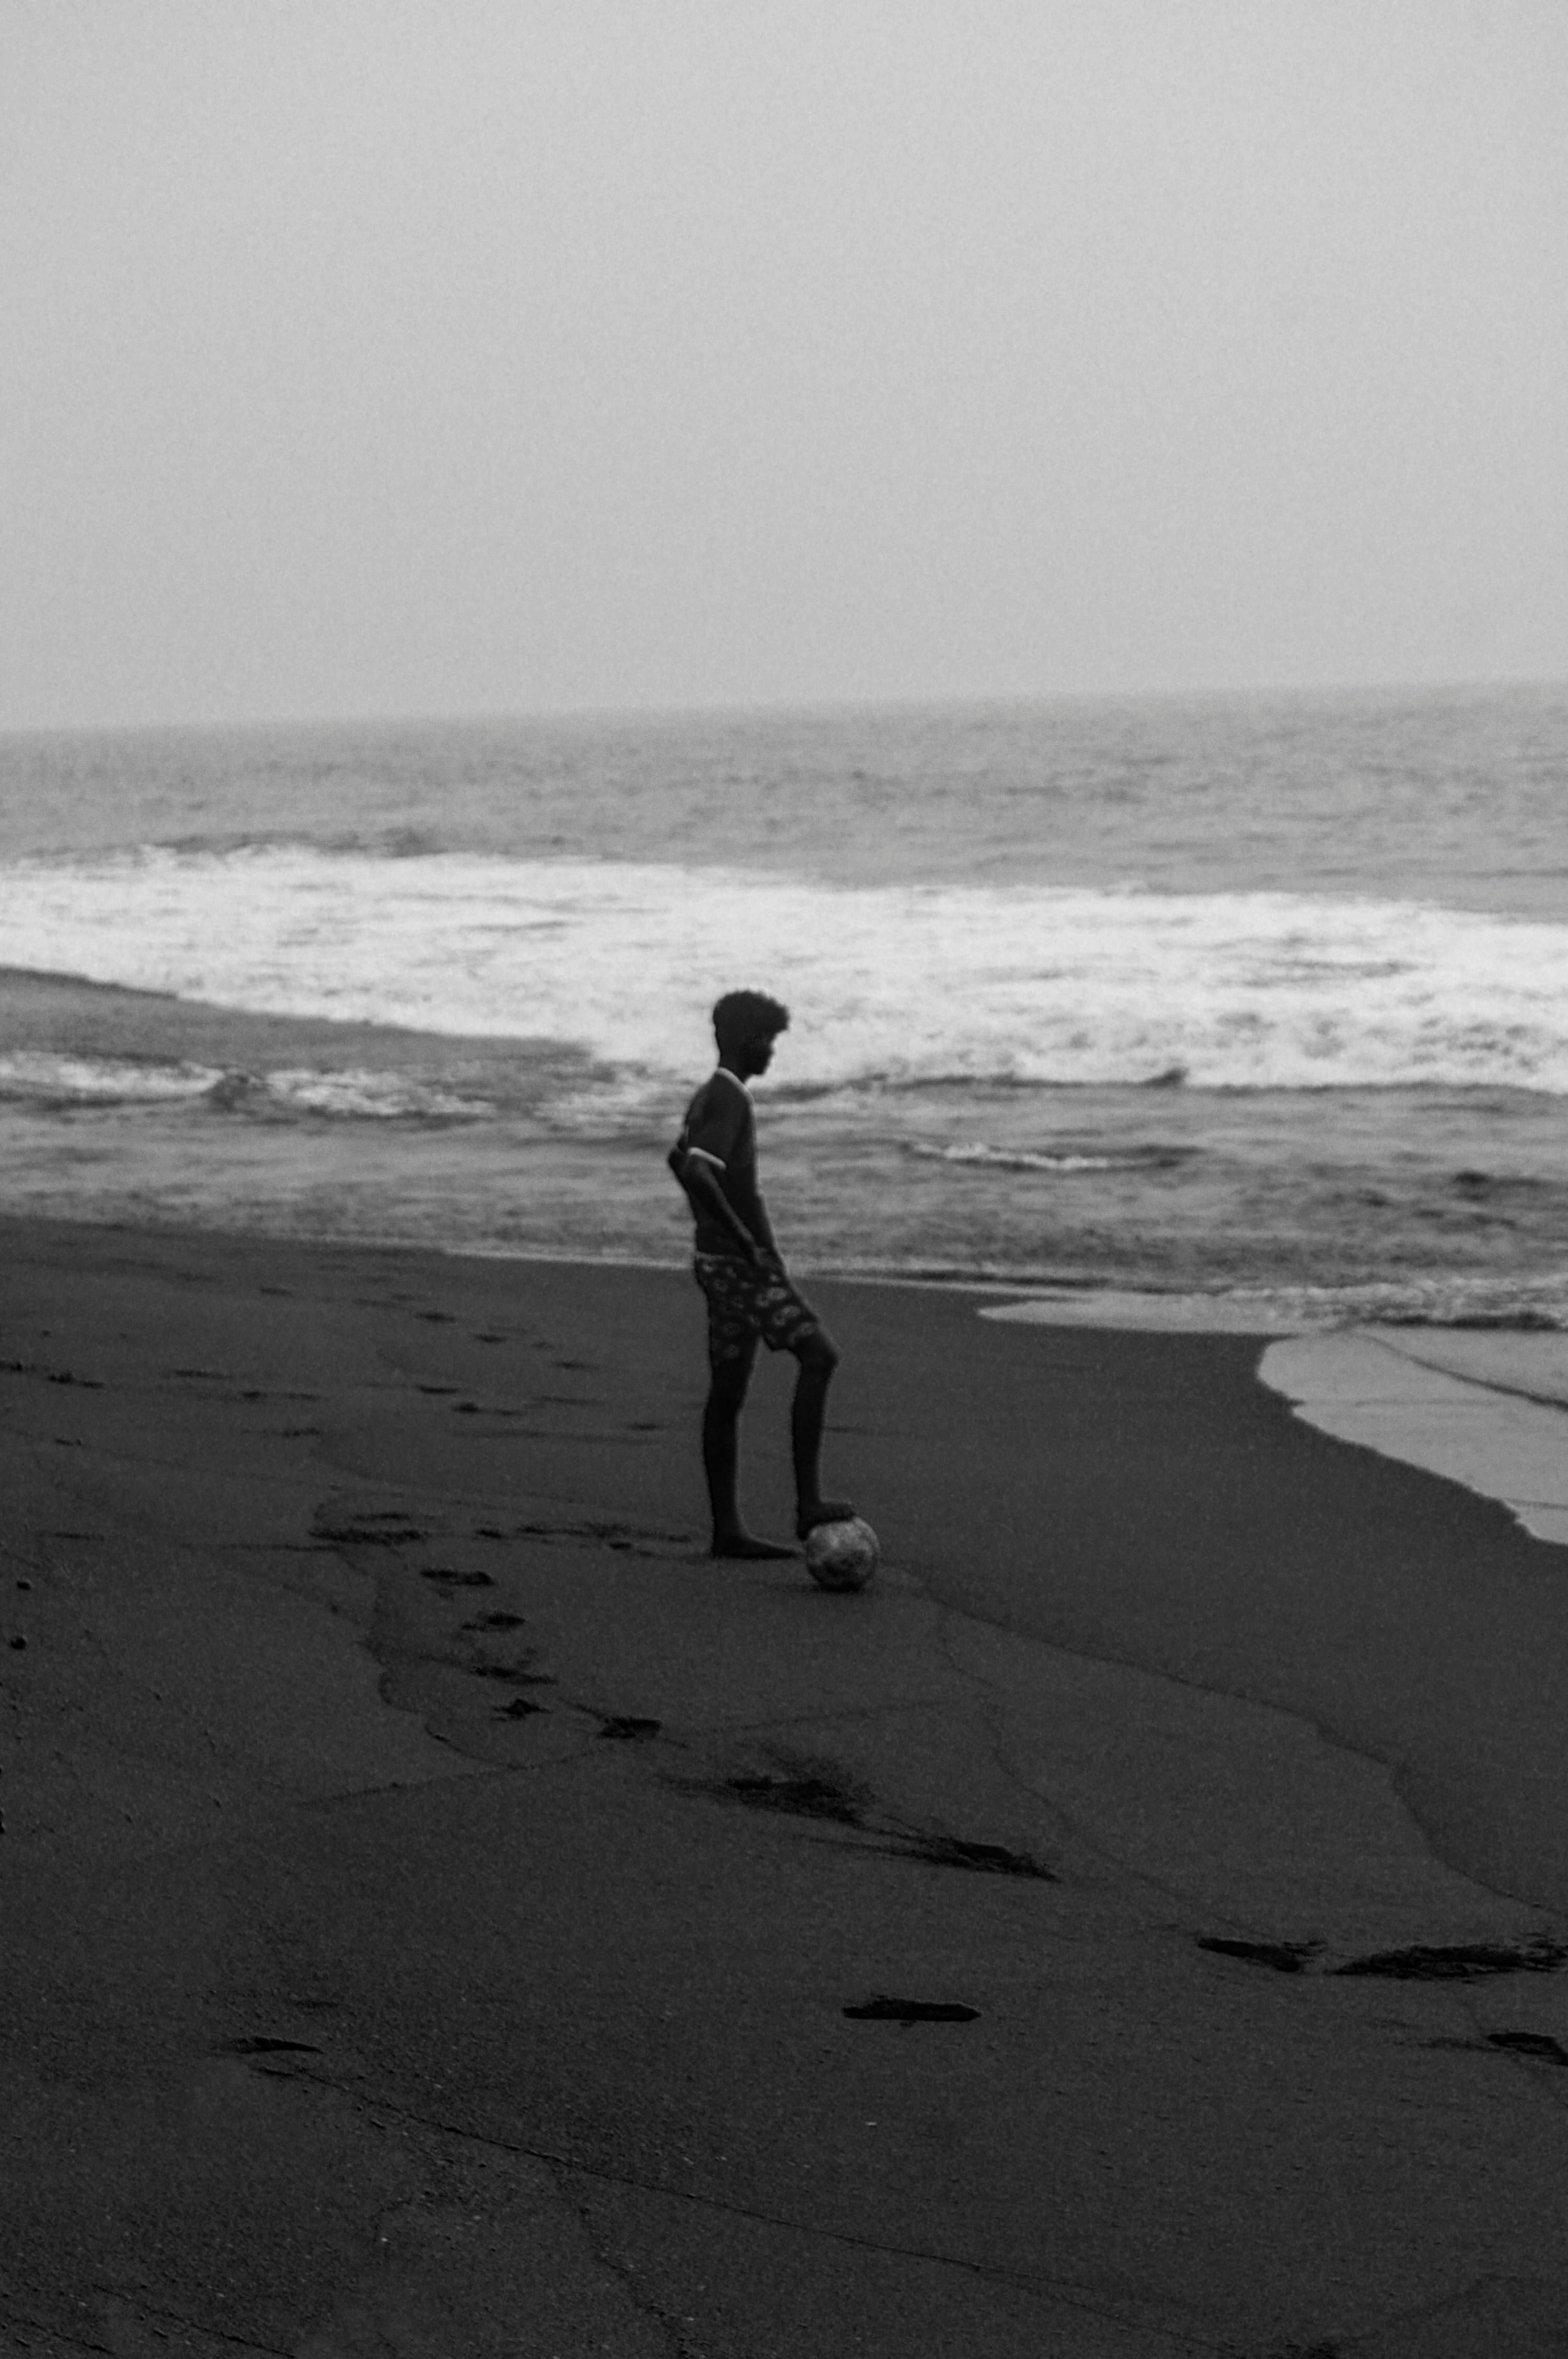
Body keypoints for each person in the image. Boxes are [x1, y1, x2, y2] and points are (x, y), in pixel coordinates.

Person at [668, 990, 854, 1559]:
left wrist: (717, 1231)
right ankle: (808, 1503)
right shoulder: (731, 1099)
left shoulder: (708, 1095)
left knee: (728, 1392)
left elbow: (677, 1159)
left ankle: (728, 1531)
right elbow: (699, 1170)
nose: (773, 1053)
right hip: (740, 1267)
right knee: (820, 1355)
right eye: (770, 1042)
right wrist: (748, 1242)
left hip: (714, 1261)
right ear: (751, 1042)